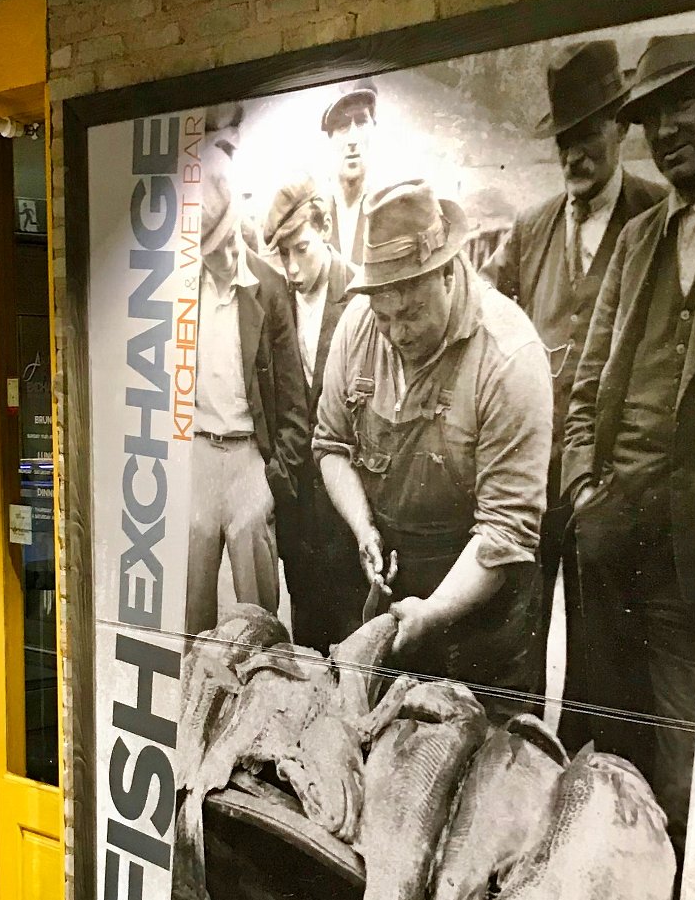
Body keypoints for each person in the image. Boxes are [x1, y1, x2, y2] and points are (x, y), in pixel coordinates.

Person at [561, 31, 695, 841]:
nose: (665, 129)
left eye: (681, 104)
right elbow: (585, 384)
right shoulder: (641, 239)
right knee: (609, 765)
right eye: (648, 116)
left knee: (684, 777)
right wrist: (583, 491)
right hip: (612, 552)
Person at [314, 179, 552, 706]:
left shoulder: (510, 358)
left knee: (481, 742)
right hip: (398, 594)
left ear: (448, 273)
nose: (397, 333)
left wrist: (436, 611)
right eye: (385, 317)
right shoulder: (358, 326)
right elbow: (331, 445)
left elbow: (506, 529)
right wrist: (363, 528)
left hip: (485, 612)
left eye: (412, 313)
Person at [487, 38, 664, 678]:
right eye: (564, 139)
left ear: (620, 127)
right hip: (533, 470)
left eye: (587, 133)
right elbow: (488, 315)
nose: (574, 155)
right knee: (519, 632)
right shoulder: (530, 228)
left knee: (605, 648)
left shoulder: (656, 214)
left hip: (612, 479)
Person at [185, 165, 310, 637]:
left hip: (249, 457)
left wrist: (271, 482)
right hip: (196, 453)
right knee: (189, 610)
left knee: (258, 618)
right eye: (215, 248)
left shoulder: (270, 287)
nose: (231, 252)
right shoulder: (180, 292)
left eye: (233, 236)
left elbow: (295, 406)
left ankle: (261, 678)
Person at [262, 179, 361, 651]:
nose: (292, 268)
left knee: (353, 639)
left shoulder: (360, 294)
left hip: (348, 509)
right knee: (306, 639)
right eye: (283, 255)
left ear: (325, 229)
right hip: (298, 509)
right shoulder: (275, 299)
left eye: (301, 249)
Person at [320, 81, 378, 263]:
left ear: (373, 128)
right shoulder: (314, 212)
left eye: (361, 122)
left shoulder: (386, 209)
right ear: (330, 138)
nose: (352, 139)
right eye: (342, 125)